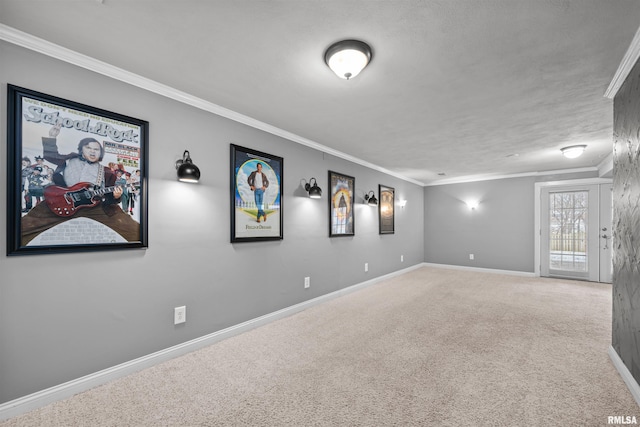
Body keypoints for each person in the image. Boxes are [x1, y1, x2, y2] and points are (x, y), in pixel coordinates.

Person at [20, 124, 140, 245]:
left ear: (101, 152)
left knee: (135, 231)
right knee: (23, 228)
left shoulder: (107, 172)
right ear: (81, 150)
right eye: (88, 148)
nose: (92, 151)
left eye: (96, 149)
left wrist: (116, 196)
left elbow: (110, 198)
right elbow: (51, 156)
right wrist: (51, 137)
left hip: (94, 207)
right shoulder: (69, 160)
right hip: (61, 201)